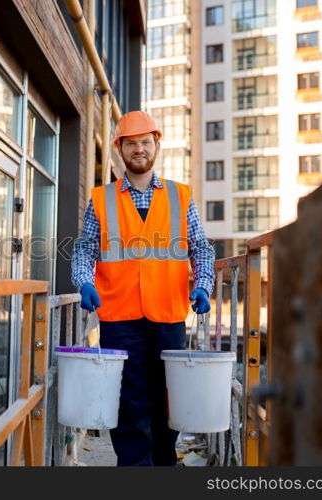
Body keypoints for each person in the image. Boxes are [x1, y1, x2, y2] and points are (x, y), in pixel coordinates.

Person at [71, 110, 215, 466]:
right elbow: (85, 249)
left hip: (168, 313)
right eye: (131, 143)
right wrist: (84, 281)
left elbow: (200, 247)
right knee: (127, 397)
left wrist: (204, 285)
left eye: (145, 142)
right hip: (120, 316)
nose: (139, 149)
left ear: (156, 146)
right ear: (120, 148)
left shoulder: (180, 197)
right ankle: (134, 466)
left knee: (168, 394)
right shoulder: (102, 199)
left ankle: (164, 462)